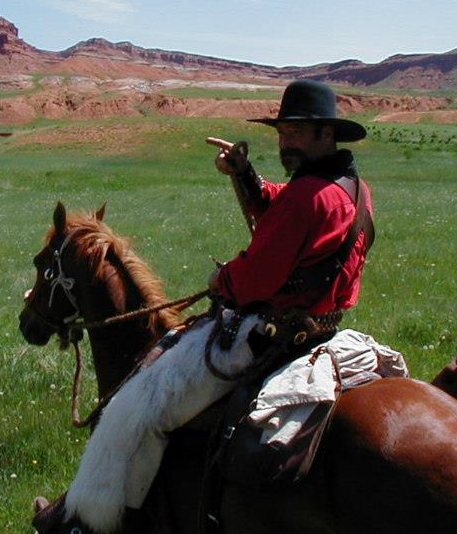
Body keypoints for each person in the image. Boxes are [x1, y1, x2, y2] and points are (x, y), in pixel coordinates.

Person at [35, 80, 374, 534]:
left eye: (296, 131)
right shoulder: (351, 188)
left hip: (270, 336)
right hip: (324, 330)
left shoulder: (309, 196)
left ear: (325, 134)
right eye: (281, 132)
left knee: (134, 406)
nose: (285, 141)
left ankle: (90, 524)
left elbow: (259, 276)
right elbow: (284, 209)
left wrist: (223, 279)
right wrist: (244, 173)